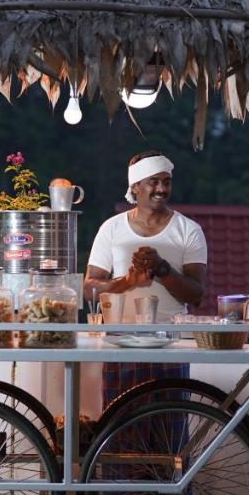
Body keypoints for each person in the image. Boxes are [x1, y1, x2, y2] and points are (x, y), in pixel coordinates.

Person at [83, 150, 208, 406]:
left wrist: (163, 269)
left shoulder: (189, 230)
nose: (161, 188)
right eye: (154, 181)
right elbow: (89, 289)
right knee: (120, 435)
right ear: (136, 186)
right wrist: (127, 281)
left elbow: (196, 295)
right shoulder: (111, 229)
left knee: (169, 436)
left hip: (170, 345)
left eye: (167, 181)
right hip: (120, 344)